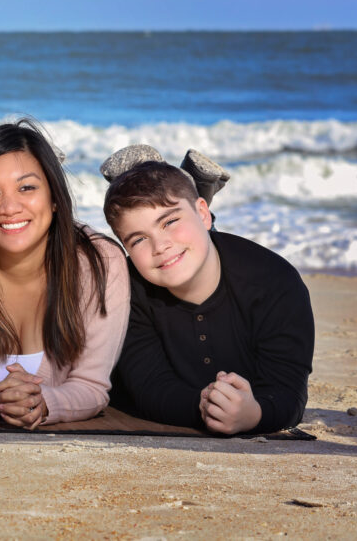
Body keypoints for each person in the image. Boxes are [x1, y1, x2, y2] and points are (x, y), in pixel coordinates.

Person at [0, 118, 129, 428]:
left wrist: (43, 403)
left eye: (26, 187)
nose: (9, 207)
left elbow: (92, 386)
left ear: (54, 197)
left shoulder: (100, 260)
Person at [103, 158, 314, 434]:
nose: (160, 246)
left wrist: (254, 414)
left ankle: (189, 182)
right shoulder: (126, 289)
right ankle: (174, 182)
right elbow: (150, 388)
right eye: (139, 239)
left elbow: (288, 392)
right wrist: (204, 407)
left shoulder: (275, 283)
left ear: (204, 213)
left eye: (170, 221)